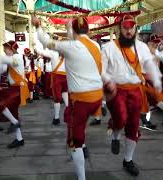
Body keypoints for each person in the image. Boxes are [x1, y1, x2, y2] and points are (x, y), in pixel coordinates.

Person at [33, 16, 115, 180]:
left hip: (80, 101)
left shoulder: (70, 46)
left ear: (73, 31)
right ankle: (83, 143)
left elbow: (45, 41)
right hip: (96, 99)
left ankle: (81, 173)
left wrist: (38, 26)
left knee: (73, 141)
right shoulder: (95, 46)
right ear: (89, 30)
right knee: (79, 125)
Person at [102, 15, 162, 176]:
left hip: (136, 90)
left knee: (133, 127)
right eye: (125, 27)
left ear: (135, 28)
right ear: (119, 29)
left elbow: (150, 66)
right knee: (120, 119)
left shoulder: (142, 47)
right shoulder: (108, 48)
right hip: (117, 91)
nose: (128, 31)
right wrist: (108, 81)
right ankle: (115, 134)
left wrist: (157, 82)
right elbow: (101, 70)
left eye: (131, 27)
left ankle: (128, 160)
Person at [0, 40, 29, 148]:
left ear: (12, 49)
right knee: (13, 113)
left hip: (18, 89)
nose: (5, 51)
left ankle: (14, 122)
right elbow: (0, 68)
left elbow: (12, 62)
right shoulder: (11, 58)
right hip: (13, 88)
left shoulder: (17, 57)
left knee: (1, 105)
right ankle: (19, 139)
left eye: (6, 49)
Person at [35, 47, 69, 126]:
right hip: (66, 76)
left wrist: (37, 47)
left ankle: (56, 118)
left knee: (57, 98)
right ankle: (69, 113)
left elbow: (41, 51)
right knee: (65, 92)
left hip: (57, 77)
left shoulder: (54, 53)